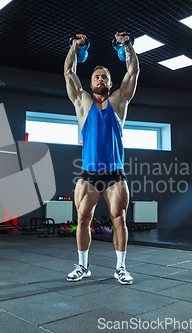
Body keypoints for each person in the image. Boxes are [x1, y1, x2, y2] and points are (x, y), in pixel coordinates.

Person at [64, 32, 139, 284]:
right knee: (82, 219)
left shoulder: (119, 102)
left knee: (120, 219)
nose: (100, 79)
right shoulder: (83, 102)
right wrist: (75, 47)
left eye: (104, 76)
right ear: (92, 81)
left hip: (115, 174)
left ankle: (120, 267)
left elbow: (133, 73)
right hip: (88, 175)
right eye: (97, 76)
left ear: (109, 81)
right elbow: (69, 74)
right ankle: (83, 266)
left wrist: (126, 45)